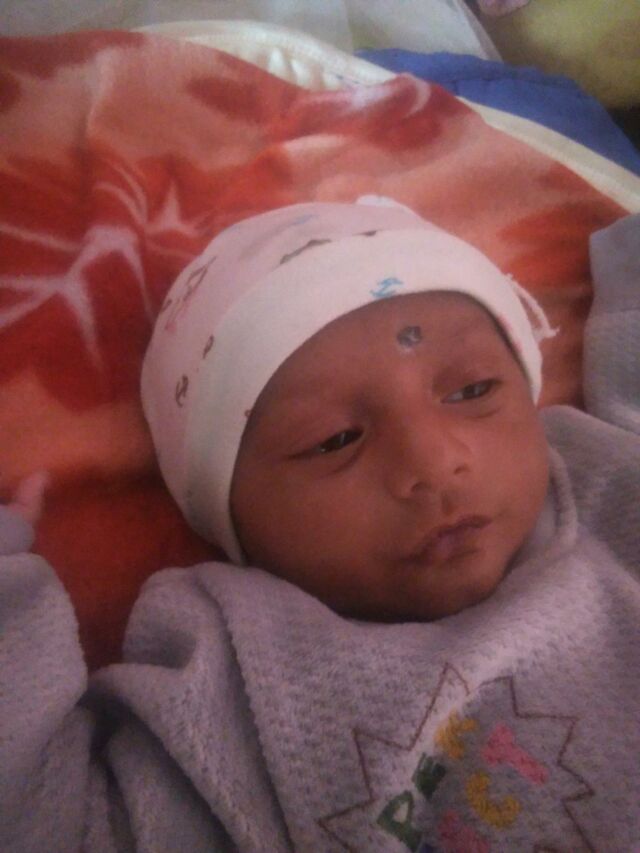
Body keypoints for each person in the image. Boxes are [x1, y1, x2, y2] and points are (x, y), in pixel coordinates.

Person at [1, 200, 639, 852]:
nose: (434, 462)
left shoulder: (598, 479)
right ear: (233, 520)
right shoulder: (232, 679)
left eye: (473, 390)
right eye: (335, 439)